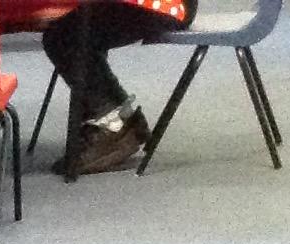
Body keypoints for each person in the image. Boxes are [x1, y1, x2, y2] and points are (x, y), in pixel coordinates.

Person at [41, 0, 195, 174]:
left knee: (65, 36)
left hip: (168, 6)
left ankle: (113, 127)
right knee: (67, 33)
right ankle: (122, 120)